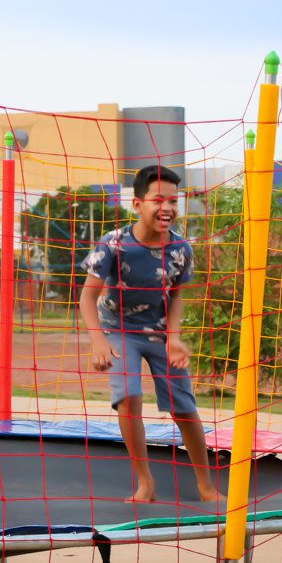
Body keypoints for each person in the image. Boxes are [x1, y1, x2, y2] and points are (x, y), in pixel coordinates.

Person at [79, 165, 224, 503]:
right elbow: (87, 296)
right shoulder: (112, 244)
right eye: (159, 199)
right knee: (128, 395)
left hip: (159, 332)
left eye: (174, 201)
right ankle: (145, 482)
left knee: (184, 407)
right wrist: (98, 341)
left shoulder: (180, 249)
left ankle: (205, 485)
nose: (168, 208)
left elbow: (175, 295)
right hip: (118, 330)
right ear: (137, 204)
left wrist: (173, 337)